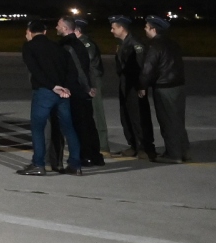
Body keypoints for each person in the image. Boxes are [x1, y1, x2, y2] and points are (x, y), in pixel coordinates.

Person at [20, 20, 83, 176]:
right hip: (63, 93)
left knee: (38, 128)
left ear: (29, 32)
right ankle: (75, 165)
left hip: (45, 91)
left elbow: (35, 71)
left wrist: (53, 86)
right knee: (69, 128)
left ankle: (38, 164)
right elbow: (72, 71)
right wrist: (65, 88)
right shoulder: (58, 47)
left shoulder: (29, 47)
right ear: (45, 32)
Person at [54, 17, 103, 169]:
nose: (56, 27)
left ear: (65, 28)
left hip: (76, 91)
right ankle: (95, 156)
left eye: (58, 25)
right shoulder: (78, 43)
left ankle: (86, 156)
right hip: (81, 89)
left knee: (80, 125)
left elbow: (80, 70)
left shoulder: (68, 46)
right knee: (88, 124)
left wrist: (87, 88)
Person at [141, 17, 189, 163]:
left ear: (153, 29)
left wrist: (142, 86)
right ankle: (183, 151)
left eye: (147, 27)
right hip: (178, 86)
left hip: (164, 88)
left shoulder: (154, 46)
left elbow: (148, 68)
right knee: (178, 120)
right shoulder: (173, 43)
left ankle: (174, 155)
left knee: (167, 121)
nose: (145, 29)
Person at [109, 16, 155, 161]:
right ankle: (133, 145)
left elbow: (142, 68)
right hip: (125, 84)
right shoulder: (123, 44)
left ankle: (144, 147)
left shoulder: (136, 44)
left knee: (138, 117)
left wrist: (142, 86)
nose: (111, 31)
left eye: (113, 28)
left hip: (135, 86)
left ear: (122, 28)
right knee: (126, 115)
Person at [72, 18, 111, 156]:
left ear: (77, 30)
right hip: (86, 81)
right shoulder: (79, 43)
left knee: (97, 112)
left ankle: (103, 146)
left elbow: (86, 64)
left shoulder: (86, 44)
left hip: (93, 81)